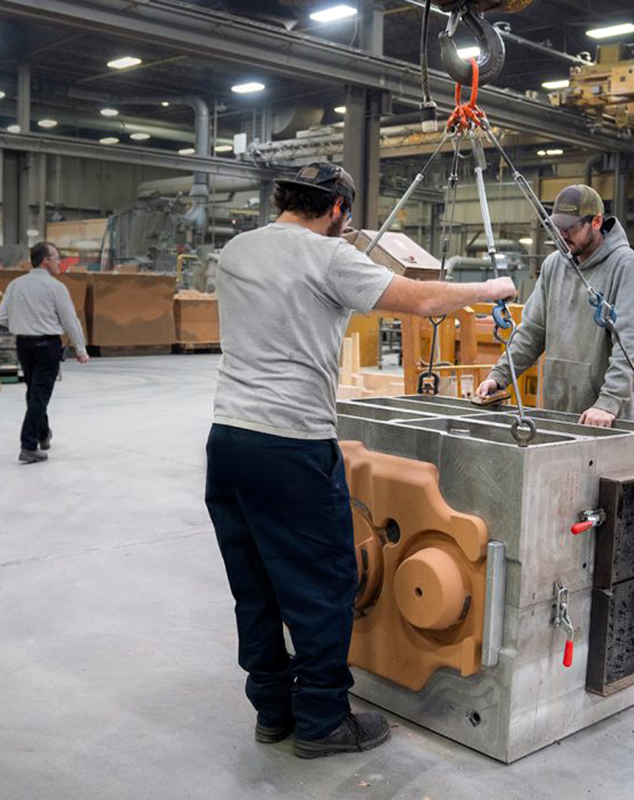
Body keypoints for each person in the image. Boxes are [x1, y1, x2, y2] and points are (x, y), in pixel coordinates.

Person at [204, 162, 516, 759]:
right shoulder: (330, 256)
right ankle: (323, 721)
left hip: (229, 441)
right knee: (325, 582)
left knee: (256, 583)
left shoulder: (238, 249)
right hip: (292, 443)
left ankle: (273, 711)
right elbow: (422, 300)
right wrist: (490, 289)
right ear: (338, 210)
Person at [475, 184, 634, 427]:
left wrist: (608, 403)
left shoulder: (626, 266)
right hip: (558, 410)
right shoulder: (553, 265)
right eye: (558, 228)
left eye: (570, 228)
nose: (562, 235)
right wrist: (500, 375)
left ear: (596, 221)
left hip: (607, 419)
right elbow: (532, 332)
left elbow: (631, 344)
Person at [0, 242, 88, 463]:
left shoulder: (15, 285)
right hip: (47, 346)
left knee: (34, 392)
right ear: (45, 261)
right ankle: (28, 446)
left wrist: (23, 325)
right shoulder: (55, 287)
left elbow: (1, 317)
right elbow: (70, 321)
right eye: (57, 257)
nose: (59, 262)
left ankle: (43, 434)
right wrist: (81, 349)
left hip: (23, 345)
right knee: (39, 395)